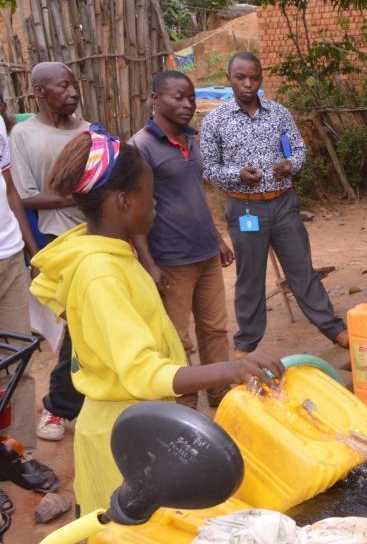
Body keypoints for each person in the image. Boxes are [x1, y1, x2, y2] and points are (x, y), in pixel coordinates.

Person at [30, 127, 284, 513]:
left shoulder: (109, 253)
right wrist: (232, 369)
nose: (156, 206)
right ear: (122, 201)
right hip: (122, 439)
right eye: (151, 196)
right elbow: (142, 372)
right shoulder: (100, 273)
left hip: (138, 424)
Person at [200, 52, 349, 354]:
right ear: (229, 79)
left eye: (254, 77)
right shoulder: (215, 120)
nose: (247, 84)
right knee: (250, 278)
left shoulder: (278, 113)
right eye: (240, 77)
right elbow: (209, 168)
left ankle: (334, 329)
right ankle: (246, 344)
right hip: (245, 208)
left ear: (261, 77)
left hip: (282, 204)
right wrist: (238, 175)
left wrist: (290, 165)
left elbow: (298, 150)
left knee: (301, 269)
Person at [129, 71, 235, 409]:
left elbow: (195, 196)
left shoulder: (191, 140)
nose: (187, 104)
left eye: (190, 97)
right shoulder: (140, 147)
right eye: (178, 97)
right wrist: (150, 265)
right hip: (171, 260)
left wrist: (217, 239)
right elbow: (133, 212)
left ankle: (223, 395)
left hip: (204, 253)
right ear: (155, 100)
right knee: (178, 339)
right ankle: (185, 408)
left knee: (215, 329)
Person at [9, 62, 89, 441]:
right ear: (40, 92)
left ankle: (80, 401)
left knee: (92, 323)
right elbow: (24, 196)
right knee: (75, 325)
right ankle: (58, 407)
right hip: (56, 242)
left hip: (98, 238)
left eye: (75, 86)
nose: (73, 94)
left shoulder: (90, 131)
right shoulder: (23, 135)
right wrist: (33, 254)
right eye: (64, 87)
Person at [0, 93, 40, 453]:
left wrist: (29, 248)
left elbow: (11, 190)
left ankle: (21, 451)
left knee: (18, 359)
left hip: (10, 255)